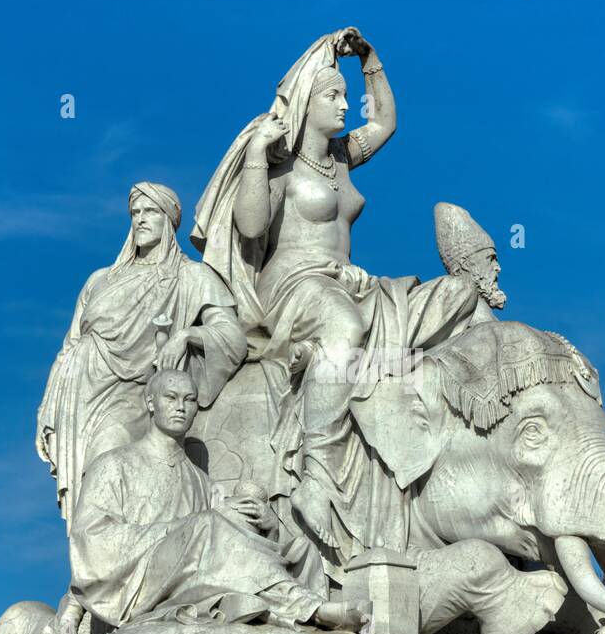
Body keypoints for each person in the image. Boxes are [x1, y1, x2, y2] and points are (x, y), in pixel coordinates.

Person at [192, 28, 480, 551]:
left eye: (347, 95)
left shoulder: (343, 156)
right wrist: (258, 152)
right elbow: (251, 227)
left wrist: (370, 60)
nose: (346, 104)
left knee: (458, 299)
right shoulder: (280, 165)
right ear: (307, 103)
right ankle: (318, 472)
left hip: (349, 283)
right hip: (294, 289)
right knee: (344, 326)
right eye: (334, 95)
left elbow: (387, 122)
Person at [40, 368, 371, 634]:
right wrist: (194, 527)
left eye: (190, 400)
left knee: (300, 549)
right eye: (171, 398)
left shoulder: (201, 482)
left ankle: (302, 615)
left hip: (194, 582)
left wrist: (269, 526)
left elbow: (234, 548)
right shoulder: (114, 465)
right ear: (150, 403)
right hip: (137, 583)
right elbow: (91, 542)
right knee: (208, 527)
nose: (181, 407)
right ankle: (311, 609)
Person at [37, 183, 246, 531]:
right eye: (135, 213)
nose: (140, 220)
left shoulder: (193, 277)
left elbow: (232, 335)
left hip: (135, 395)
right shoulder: (100, 280)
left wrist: (187, 335)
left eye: (150, 212)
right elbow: (70, 345)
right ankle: (94, 576)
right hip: (79, 393)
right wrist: (49, 407)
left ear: (169, 219)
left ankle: (121, 571)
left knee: (109, 469)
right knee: (89, 487)